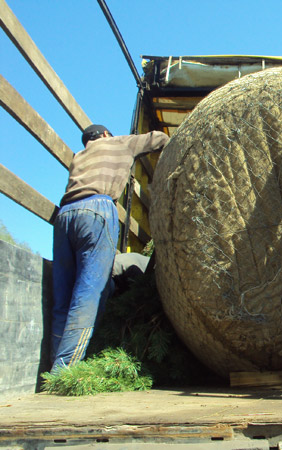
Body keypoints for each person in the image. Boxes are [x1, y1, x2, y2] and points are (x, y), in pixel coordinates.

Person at [51, 125, 168, 373]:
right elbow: (158, 139)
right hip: (96, 209)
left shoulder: (79, 156)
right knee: (90, 292)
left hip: (65, 214)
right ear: (105, 134)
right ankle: (65, 371)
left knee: (63, 296)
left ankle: (53, 367)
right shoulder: (118, 143)